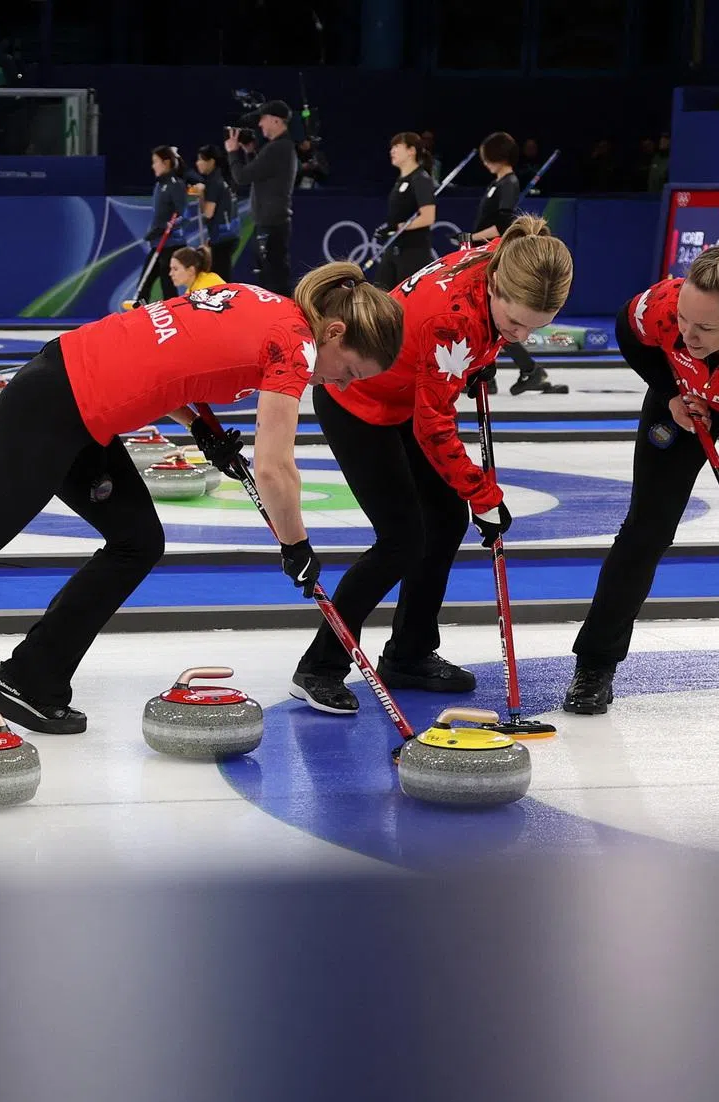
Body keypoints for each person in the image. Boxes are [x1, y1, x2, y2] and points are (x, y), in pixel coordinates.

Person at [0, 264, 405, 762]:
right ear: (335, 333)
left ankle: (31, 680)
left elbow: (174, 359)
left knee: (137, 540)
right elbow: (275, 468)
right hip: (52, 411)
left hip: (77, 405)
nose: (342, 387)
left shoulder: (260, 300)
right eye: (348, 373)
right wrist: (296, 546)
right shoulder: (292, 347)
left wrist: (203, 426)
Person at [290, 217, 574, 713]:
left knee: (443, 520)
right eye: (514, 324)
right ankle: (319, 666)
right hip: (355, 394)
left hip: (403, 395)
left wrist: (489, 347)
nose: (521, 335)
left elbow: (481, 284)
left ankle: (409, 652)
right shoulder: (455, 321)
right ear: (497, 288)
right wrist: (483, 494)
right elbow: (434, 428)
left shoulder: (502, 257)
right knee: (401, 541)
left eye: (535, 327)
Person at [564, 240, 719, 714]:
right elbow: (627, 328)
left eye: (705, 327)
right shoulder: (664, 305)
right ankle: (595, 663)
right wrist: (669, 390)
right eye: (682, 321)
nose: (687, 335)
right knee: (645, 531)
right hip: (685, 402)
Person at [467, 131, 549, 396]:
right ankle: (491, 375)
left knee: (493, 316)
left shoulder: (508, 182)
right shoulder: (498, 182)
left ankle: (529, 369)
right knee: (486, 316)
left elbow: (504, 224)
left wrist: (472, 237)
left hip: (491, 253)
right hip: (483, 251)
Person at [225, 98, 298, 297]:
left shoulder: (278, 148)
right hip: (271, 222)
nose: (259, 124)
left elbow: (242, 177)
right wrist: (249, 153)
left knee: (273, 281)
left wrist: (232, 153)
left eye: (263, 119)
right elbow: (259, 174)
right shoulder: (280, 148)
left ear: (276, 121)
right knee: (269, 277)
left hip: (271, 224)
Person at [372, 132, 437, 292]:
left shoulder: (421, 179)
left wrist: (401, 227)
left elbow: (428, 217)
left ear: (411, 151)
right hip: (394, 248)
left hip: (413, 252)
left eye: (397, 146)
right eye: (391, 147)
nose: (392, 151)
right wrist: (390, 228)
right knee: (380, 296)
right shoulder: (401, 181)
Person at [129, 145, 189, 306]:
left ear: (166, 162)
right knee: (144, 282)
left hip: (172, 245)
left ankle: (176, 320)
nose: (153, 165)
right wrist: (154, 231)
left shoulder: (176, 184)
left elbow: (184, 215)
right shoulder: (159, 185)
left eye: (156, 161)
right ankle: (140, 315)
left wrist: (170, 225)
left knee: (167, 285)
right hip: (158, 244)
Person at [190, 144, 239, 280]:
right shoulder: (222, 178)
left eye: (200, 160)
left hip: (222, 238)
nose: (197, 163)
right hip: (230, 234)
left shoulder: (214, 182)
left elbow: (208, 213)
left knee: (220, 279)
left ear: (211, 161)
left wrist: (200, 194)